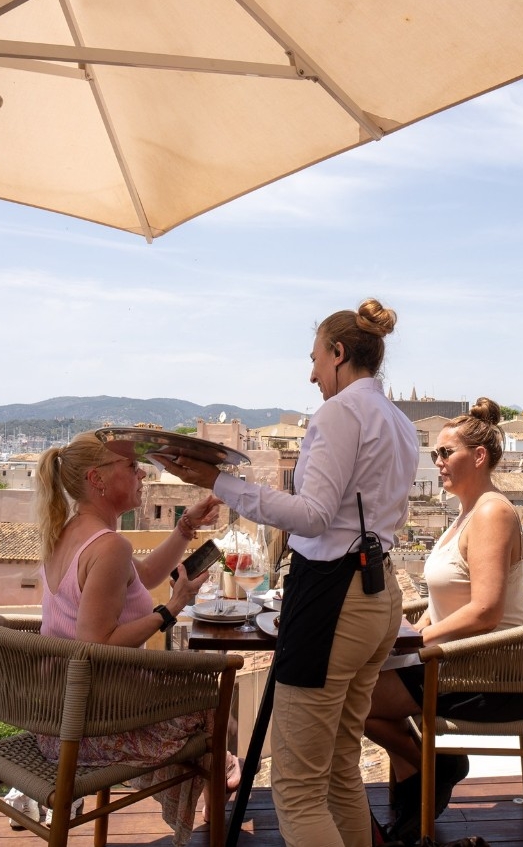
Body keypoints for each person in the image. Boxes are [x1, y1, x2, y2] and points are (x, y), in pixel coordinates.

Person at [161, 298, 418, 847]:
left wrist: (218, 482)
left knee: (298, 789)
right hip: (378, 596)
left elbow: (314, 515)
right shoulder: (399, 422)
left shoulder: (340, 413)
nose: (311, 374)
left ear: (338, 353)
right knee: (341, 769)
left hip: (332, 600)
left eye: (315, 358)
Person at [33, 431, 235, 846]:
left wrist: (185, 527)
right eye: (131, 466)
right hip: (95, 725)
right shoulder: (108, 546)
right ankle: (216, 814)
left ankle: (217, 787)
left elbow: (142, 577)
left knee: (210, 718)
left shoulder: (71, 532)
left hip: (56, 716)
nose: (142, 473)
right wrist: (172, 608)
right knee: (218, 711)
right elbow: (97, 644)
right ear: (97, 478)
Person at [364, 397, 523, 844]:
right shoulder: (464, 514)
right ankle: (424, 777)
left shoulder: (492, 512)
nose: (437, 461)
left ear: (478, 457)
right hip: (456, 661)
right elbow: (446, 602)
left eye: (445, 452)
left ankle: (432, 769)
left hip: (491, 675)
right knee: (351, 684)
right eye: (435, 452)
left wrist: (414, 643)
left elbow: (486, 610)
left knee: (348, 697)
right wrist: (413, 631)